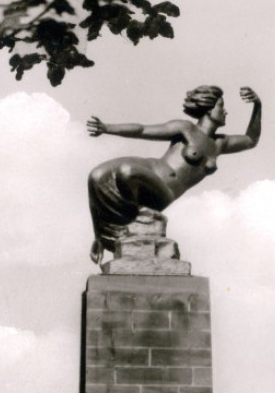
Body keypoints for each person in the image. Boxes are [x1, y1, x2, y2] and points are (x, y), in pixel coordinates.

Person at [86, 84, 261, 263]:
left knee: (126, 172)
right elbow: (142, 130)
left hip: (164, 192)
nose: (225, 112)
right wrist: (106, 128)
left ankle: (137, 217)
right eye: (221, 106)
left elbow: (251, 140)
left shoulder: (220, 143)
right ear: (207, 108)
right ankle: (102, 235)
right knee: (97, 175)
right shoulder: (185, 128)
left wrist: (257, 105)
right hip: (150, 169)